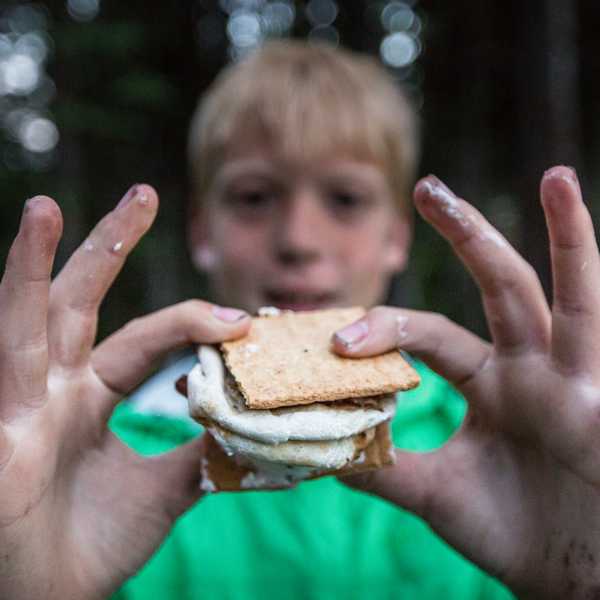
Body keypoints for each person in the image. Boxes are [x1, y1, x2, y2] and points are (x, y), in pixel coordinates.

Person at [0, 40, 598, 600]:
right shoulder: (99, 459)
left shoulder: (507, 443)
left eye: (345, 199)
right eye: (255, 197)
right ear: (202, 233)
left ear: (397, 237)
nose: (298, 241)